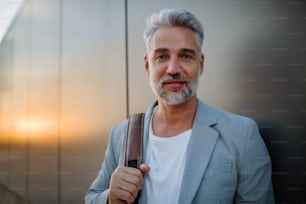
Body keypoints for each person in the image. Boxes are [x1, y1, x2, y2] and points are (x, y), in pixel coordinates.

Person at [85, 8, 274, 204]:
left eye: (185, 56)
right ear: (147, 66)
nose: (173, 69)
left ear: (200, 64)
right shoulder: (121, 134)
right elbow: (91, 197)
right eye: (161, 56)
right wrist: (110, 198)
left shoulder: (242, 135)